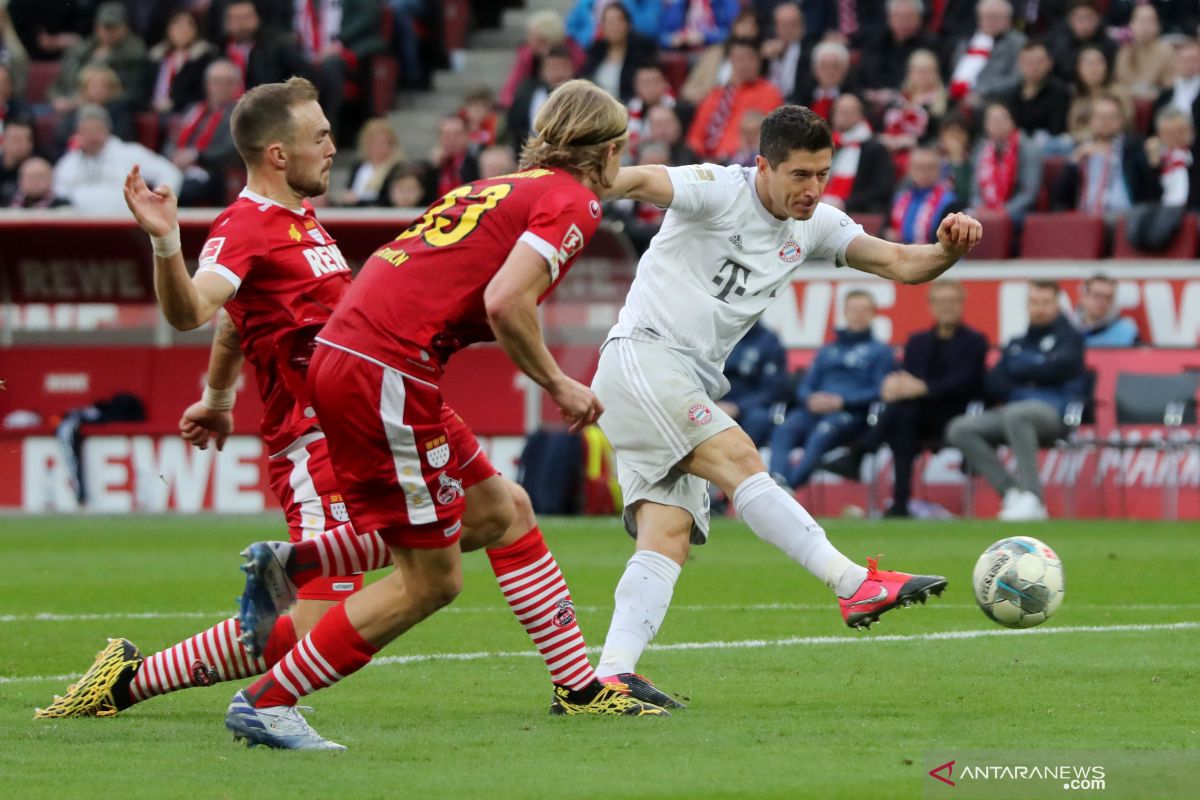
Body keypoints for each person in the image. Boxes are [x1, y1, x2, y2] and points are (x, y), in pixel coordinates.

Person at [35, 78, 662, 738]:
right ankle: (160, 682)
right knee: (344, 612)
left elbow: (237, 323)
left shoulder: (303, 225)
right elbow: (198, 309)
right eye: (321, 136)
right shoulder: (246, 224)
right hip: (323, 435)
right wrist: (166, 243)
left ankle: (578, 685)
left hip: (386, 388)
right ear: (279, 153)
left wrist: (217, 399)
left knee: (503, 512)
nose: (335, 147)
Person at [219, 78, 663, 747]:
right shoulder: (572, 201)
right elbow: (507, 302)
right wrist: (559, 383)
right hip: (385, 368)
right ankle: (270, 699)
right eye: (619, 148)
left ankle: (577, 686)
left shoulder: (502, 187)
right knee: (431, 579)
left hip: (362, 356)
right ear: (603, 150)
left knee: (500, 511)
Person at [591, 104, 981, 701]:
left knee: (667, 533)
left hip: (685, 380)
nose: (813, 189)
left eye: (823, 174)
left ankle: (611, 675)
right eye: (800, 175)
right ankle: (853, 582)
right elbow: (643, 180)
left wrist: (948, 248)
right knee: (740, 458)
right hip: (644, 357)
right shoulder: (719, 189)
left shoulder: (817, 223)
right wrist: (594, 172)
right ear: (763, 167)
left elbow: (903, 262)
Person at [825, 280, 987, 518]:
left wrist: (923, 388)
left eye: (952, 301)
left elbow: (966, 382)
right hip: (915, 414)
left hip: (954, 415)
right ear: (931, 306)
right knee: (904, 415)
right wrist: (895, 386)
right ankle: (899, 503)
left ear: (962, 305)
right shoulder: (917, 341)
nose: (947, 307)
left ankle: (861, 456)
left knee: (903, 412)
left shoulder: (975, 341)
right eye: (941, 302)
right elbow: (907, 375)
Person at [946, 280, 1086, 522]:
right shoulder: (1017, 342)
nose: (1039, 308)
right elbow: (993, 383)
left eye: (1046, 302)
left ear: (1058, 306)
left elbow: (1060, 368)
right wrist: (1037, 368)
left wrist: (1020, 369)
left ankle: (1034, 498)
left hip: (1053, 413)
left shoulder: (1071, 340)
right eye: (1034, 302)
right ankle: (1011, 491)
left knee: (1017, 414)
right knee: (960, 428)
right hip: (1013, 413)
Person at [767, 291, 894, 489]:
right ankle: (776, 483)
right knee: (784, 429)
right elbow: (807, 383)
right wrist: (809, 398)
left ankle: (786, 490)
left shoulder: (881, 351)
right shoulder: (827, 350)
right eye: (853, 309)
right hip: (813, 409)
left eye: (864, 310)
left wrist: (842, 401)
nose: (858, 315)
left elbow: (880, 390)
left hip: (849, 414)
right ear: (845, 313)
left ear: (873, 314)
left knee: (821, 435)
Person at [53, 105, 181, 214]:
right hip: (79, 229)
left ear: (108, 130)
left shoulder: (130, 153)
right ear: (78, 134)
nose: (92, 136)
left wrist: (156, 204)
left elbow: (170, 173)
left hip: (126, 226)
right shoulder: (68, 163)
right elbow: (60, 196)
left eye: (97, 130)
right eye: (87, 131)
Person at [1053, 93, 1157, 218]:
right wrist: (1073, 161)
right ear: (1091, 120)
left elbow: (1150, 188)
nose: (1105, 122)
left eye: (1111, 117)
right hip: (1087, 217)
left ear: (1120, 121)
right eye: (1100, 117)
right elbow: (1059, 196)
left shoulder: (1134, 147)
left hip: (1125, 217)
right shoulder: (1081, 150)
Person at [686, 38, 783, 162]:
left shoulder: (769, 92)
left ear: (759, 62)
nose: (745, 64)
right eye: (739, 59)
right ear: (730, 62)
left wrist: (722, 156)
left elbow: (757, 135)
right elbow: (695, 136)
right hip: (704, 160)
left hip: (736, 159)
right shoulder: (716, 94)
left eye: (750, 59)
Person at [48, 2, 147, 115]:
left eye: (113, 27)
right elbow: (57, 85)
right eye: (104, 27)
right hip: (68, 103)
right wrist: (57, 100)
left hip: (108, 110)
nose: (108, 32)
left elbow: (132, 92)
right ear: (96, 28)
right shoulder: (81, 51)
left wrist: (90, 99)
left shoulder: (133, 55)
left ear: (125, 28)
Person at [169, 59, 243, 207]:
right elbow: (172, 140)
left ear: (237, 86)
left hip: (212, 171)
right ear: (207, 85)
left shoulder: (240, 114)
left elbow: (233, 149)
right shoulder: (192, 110)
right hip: (177, 168)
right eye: (216, 81)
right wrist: (174, 157)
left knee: (182, 191)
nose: (220, 87)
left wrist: (197, 156)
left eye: (227, 82)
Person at [969, 101, 1042, 226]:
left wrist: (1003, 211)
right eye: (993, 120)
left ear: (1013, 122)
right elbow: (975, 192)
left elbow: (1029, 193)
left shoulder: (1028, 149)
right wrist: (981, 209)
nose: (998, 124)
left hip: (1016, 211)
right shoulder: (981, 150)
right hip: (986, 210)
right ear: (986, 126)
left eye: (1003, 119)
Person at [719, 321, 789, 448]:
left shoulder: (768, 340)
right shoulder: (717, 336)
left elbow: (773, 389)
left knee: (758, 419)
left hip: (751, 405)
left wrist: (738, 407)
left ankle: (740, 462)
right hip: (716, 400)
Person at [824, 93, 894, 213]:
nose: (843, 116)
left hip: (857, 214)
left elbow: (881, 189)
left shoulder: (875, 149)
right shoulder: (826, 144)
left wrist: (845, 203)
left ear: (861, 115)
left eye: (849, 111)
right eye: (839, 111)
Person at [948, 0, 1026, 105]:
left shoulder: (1018, 43)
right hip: (958, 97)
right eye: (988, 17)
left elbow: (1017, 77)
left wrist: (981, 92)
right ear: (979, 19)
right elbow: (955, 72)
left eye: (997, 17)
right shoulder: (967, 42)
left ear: (1008, 20)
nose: (992, 22)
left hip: (995, 100)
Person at [581, 2, 657, 101]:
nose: (614, 27)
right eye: (609, 22)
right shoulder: (595, 50)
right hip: (596, 105)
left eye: (618, 21)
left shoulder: (642, 51)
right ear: (602, 27)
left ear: (628, 24)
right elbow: (585, 80)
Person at [147, 9, 217, 114]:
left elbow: (202, 94)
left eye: (189, 25)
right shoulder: (156, 57)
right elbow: (142, 91)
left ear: (196, 30)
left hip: (185, 113)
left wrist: (173, 103)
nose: (183, 29)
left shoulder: (204, 57)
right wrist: (151, 104)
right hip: (152, 113)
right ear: (168, 29)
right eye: (177, 24)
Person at [886, 146, 960, 244]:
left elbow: (945, 242)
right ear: (909, 169)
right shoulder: (899, 199)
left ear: (938, 170)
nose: (924, 172)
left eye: (930, 167)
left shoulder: (950, 202)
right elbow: (884, 231)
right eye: (918, 167)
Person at [1005, 40, 1071, 145]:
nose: (1034, 67)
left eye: (1039, 61)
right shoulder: (1011, 94)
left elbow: (1056, 130)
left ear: (1050, 63)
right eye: (1028, 62)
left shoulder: (1060, 92)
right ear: (1019, 64)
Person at [1114, 5, 1175, 104]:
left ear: (1158, 25)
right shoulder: (1125, 51)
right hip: (1129, 101)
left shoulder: (1166, 50)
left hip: (1157, 102)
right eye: (1141, 21)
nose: (1145, 26)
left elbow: (1171, 85)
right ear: (1131, 25)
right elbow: (1118, 83)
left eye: (1150, 21)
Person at [339, 117, 404, 207]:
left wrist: (358, 200)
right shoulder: (358, 166)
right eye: (374, 142)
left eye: (383, 142)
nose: (378, 147)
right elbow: (349, 190)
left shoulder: (396, 169)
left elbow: (388, 199)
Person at [1048, 0, 1116, 84]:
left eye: (1089, 18)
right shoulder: (1058, 43)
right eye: (1079, 19)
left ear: (1098, 19)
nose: (1085, 24)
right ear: (1070, 20)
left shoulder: (1110, 45)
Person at [1069, 273, 1139, 347]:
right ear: (1083, 297)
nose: (1102, 301)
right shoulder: (1068, 328)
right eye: (1097, 295)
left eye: (1107, 297)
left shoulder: (1126, 331)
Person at [762, 2, 808, 102]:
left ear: (802, 27)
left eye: (793, 24)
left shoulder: (809, 52)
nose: (788, 29)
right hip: (766, 102)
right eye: (783, 25)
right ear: (775, 27)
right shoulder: (766, 50)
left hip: (794, 105)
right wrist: (763, 58)